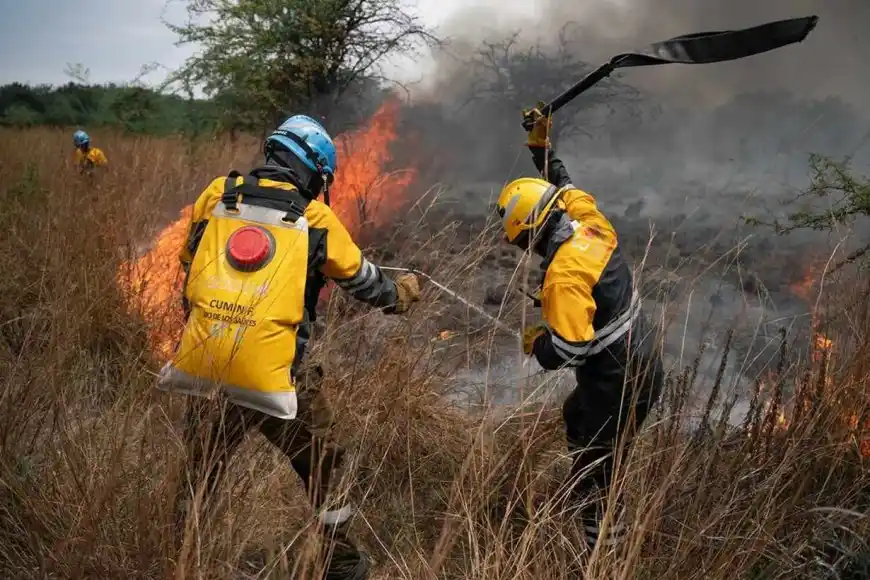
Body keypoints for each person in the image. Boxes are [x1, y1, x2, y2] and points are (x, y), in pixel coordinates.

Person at [158, 114, 420, 580]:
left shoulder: (217, 195)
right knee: (325, 461)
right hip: (280, 377)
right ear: (316, 172)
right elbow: (362, 281)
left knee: (200, 468)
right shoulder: (315, 218)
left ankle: (176, 553)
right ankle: (340, 563)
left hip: (209, 364)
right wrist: (398, 295)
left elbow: (187, 261)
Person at [494, 105, 663, 556]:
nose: (524, 250)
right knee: (575, 415)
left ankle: (604, 555)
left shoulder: (564, 277)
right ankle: (590, 477)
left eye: (521, 242)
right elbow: (565, 186)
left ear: (531, 232)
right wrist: (541, 148)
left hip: (617, 379)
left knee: (599, 479)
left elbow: (568, 349)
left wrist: (537, 345)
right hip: (643, 357)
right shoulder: (589, 222)